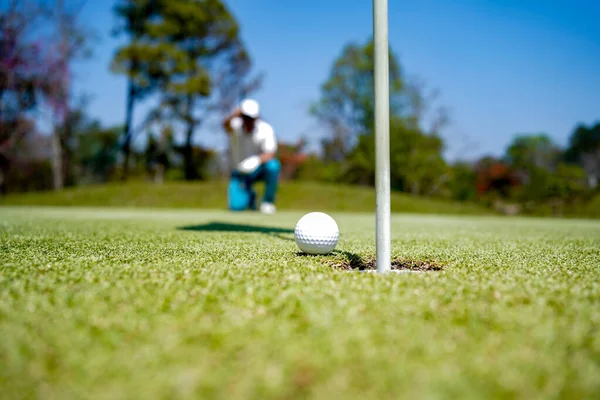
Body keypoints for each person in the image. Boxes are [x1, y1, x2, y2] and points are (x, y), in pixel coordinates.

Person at [223, 99, 280, 214]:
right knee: (236, 207)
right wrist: (234, 113)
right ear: (241, 116)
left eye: (251, 118)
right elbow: (225, 125)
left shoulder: (265, 129)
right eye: (245, 117)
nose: (248, 121)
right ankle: (251, 197)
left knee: (273, 166)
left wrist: (257, 160)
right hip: (239, 173)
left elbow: (270, 153)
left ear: (257, 118)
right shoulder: (235, 126)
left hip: (258, 169)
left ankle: (268, 202)